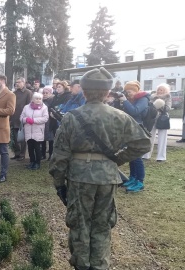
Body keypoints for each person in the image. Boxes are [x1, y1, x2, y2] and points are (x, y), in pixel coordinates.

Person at [49, 67, 150, 270]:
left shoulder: (71, 117)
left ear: (84, 91)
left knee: (80, 224)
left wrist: (59, 184)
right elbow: (142, 144)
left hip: (79, 178)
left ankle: (82, 265)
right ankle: (99, 266)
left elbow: (60, 156)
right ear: (107, 93)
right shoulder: (119, 116)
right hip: (107, 178)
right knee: (102, 224)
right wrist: (117, 160)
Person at [118, 80, 150, 193]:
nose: (128, 93)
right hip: (130, 130)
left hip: (138, 131)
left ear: (136, 90)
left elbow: (135, 112)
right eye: (126, 91)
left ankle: (140, 182)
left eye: (130, 91)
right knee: (131, 155)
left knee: (137, 157)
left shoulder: (143, 99)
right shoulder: (132, 100)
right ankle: (132, 178)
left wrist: (125, 101)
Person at [143, 83, 172, 161]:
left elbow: (168, 108)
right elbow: (148, 106)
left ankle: (161, 157)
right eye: (158, 89)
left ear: (165, 91)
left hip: (162, 119)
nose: (159, 91)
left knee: (162, 138)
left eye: (161, 90)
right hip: (152, 118)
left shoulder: (168, 97)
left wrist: (160, 104)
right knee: (149, 136)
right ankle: (146, 155)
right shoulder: (152, 97)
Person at [20, 92, 49, 170]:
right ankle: (32, 162)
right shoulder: (26, 107)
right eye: (36, 98)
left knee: (37, 148)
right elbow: (21, 117)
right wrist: (26, 119)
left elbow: (45, 118)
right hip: (28, 131)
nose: (38, 100)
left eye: (40, 99)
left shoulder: (44, 107)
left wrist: (34, 120)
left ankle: (37, 163)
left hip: (38, 131)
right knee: (30, 148)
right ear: (32, 99)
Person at [10, 77, 32, 161]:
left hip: (23, 118)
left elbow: (29, 106)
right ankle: (17, 153)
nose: (17, 84)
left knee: (22, 138)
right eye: (16, 82)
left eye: (19, 82)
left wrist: (26, 117)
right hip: (14, 117)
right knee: (15, 138)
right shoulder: (14, 93)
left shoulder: (28, 93)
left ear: (23, 83)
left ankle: (22, 154)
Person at [48, 80, 72, 159]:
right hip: (54, 120)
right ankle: (52, 154)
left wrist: (57, 113)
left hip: (61, 120)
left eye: (59, 87)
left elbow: (64, 108)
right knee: (54, 138)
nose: (57, 88)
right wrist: (51, 112)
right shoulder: (55, 97)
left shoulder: (68, 96)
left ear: (64, 87)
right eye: (57, 87)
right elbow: (51, 106)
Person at [41, 86, 54, 160]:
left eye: (47, 93)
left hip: (51, 122)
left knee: (51, 139)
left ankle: (51, 154)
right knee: (43, 139)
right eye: (44, 93)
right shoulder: (41, 100)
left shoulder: (52, 100)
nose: (45, 94)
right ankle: (43, 154)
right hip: (43, 121)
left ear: (50, 93)